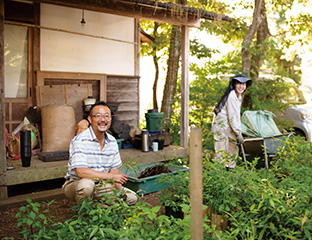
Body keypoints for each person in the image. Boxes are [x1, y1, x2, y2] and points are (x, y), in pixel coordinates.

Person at [62, 101, 138, 206]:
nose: (103, 120)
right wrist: (111, 177)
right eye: (98, 116)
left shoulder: (112, 141)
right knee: (86, 186)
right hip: (76, 184)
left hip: (102, 185)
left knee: (131, 198)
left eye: (106, 116)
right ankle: (83, 214)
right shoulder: (80, 140)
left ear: (110, 119)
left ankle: (97, 205)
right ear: (90, 119)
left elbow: (114, 171)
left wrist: (120, 192)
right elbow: (81, 172)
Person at [212, 74, 252, 169]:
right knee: (221, 153)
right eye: (239, 83)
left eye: (244, 84)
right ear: (234, 84)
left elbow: (237, 117)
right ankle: (217, 176)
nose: (241, 86)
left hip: (229, 127)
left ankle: (229, 173)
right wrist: (239, 134)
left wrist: (238, 133)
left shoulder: (239, 96)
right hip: (221, 127)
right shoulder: (231, 96)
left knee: (233, 149)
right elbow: (232, 117)